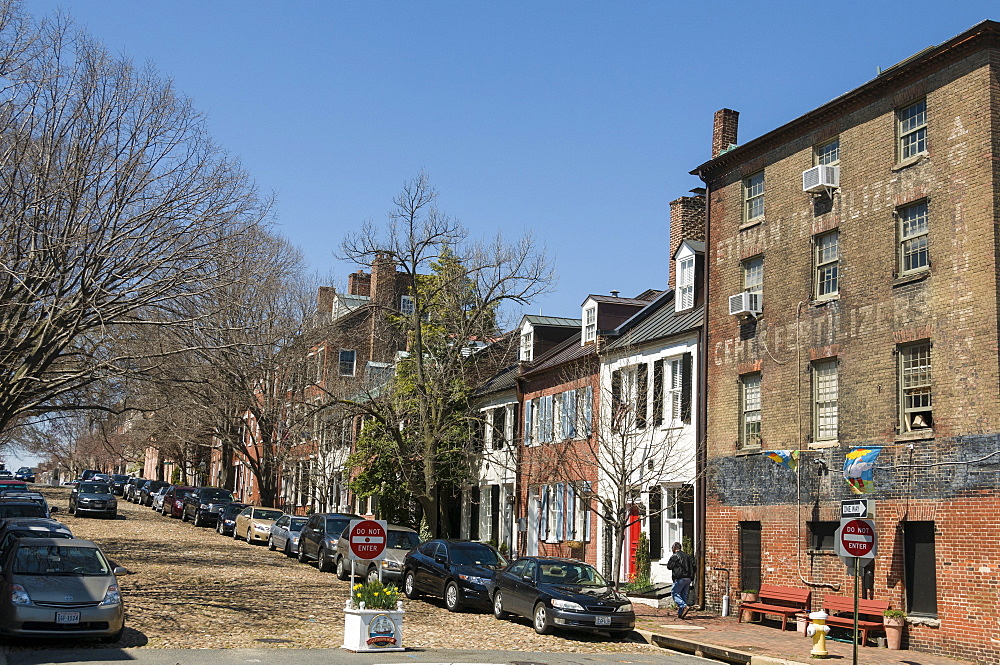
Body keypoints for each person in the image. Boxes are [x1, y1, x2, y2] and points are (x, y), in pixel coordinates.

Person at [666, 541, 696, 619]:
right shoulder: (688, 556)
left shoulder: (675, 556)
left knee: (674, 593)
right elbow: (694, 566)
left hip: (680, 578)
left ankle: (684, 606)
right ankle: (680, 613)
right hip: (688, 578)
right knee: (684, 595)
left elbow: (669, 566)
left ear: (675, 548)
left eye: (672, 548)